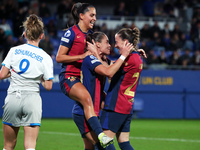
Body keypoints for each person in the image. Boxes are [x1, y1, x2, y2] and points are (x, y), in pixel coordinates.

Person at [56, 2, 113, 147]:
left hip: (83, 79)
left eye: (95, 15)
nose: (95, 18)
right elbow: (59, 57)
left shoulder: (90, 36)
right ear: (81, 16)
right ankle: (101, 135)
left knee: (89, 146)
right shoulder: (72, 33)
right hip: (69, 77)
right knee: (88, 99)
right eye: (92, 15)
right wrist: (81, 56)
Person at [0, 14, 54, 150]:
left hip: (13, 97)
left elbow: (1, 75)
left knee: (8, 146)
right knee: (30, 146)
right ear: (41, 36)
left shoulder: (14, 50)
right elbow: (48, 86)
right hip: (32, 99)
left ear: (25, 34)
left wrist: (12, 72)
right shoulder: (46, 57)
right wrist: (40, 77)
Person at [73, 32, 133, 150]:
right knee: (104, 146)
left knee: (90, 147)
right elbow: (109, 72)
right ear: (97, 44)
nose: (110, 45)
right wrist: (123, 55)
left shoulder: (104, 60)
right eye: (106, 42)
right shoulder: (89, 59)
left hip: (93, 112)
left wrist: (134, 53)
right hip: (83, 112)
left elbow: (116, 67)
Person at [100, 27, 143, 150]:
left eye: (117, 42)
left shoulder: (128, 58)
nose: (115, 45)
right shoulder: (136, 57)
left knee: (104, 142)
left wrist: (95, 54)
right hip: (127, 105)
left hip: (116, 105)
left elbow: (109, 71)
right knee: (123, 142)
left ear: (125, 42)